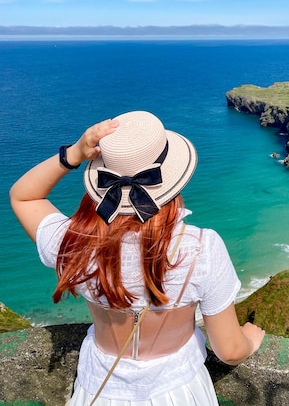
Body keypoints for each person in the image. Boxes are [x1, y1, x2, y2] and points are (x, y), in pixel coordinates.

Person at [10, 110, 265, 405]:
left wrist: (74, 153)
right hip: (179, 391)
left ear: (101, 183)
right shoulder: (200, 248)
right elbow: (229, 351)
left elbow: (24, 196)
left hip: (100, 391)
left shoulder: (74, 242)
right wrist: (250, 340)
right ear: (171, 180)